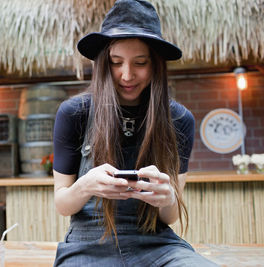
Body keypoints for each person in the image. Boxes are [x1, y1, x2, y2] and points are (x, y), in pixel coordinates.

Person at [52, 0, 219, 266]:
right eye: (116, 62)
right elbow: (62, 204)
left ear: (156, 65)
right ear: (104, 63)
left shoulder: (179, 119)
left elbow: (170, 216)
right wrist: (85, 185)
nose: (127, 75)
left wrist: (168, 197)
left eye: (140, 63)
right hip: (88, 245)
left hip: (157, 243)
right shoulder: (74, 113)